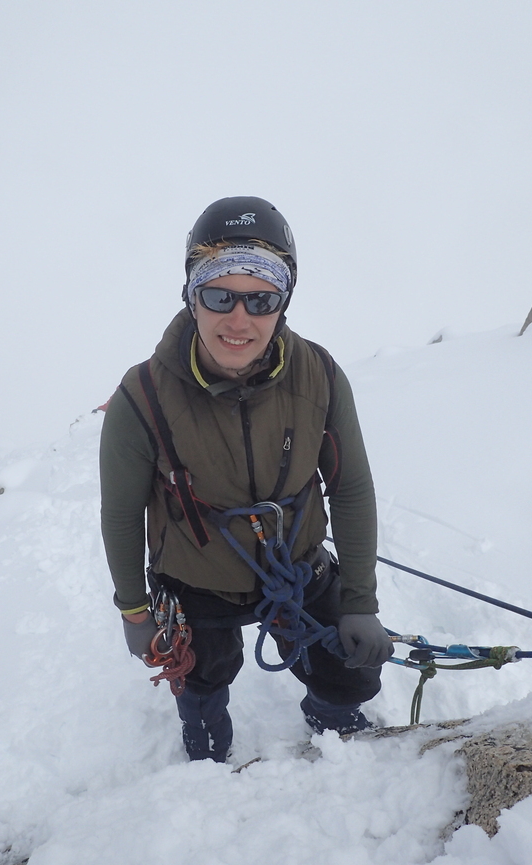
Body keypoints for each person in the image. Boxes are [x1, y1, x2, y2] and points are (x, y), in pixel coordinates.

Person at [99, 196, 392, 762]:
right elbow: (121, 513)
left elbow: (351, 487)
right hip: (194, 579)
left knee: (350, 674)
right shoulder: (142, 396)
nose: (239, 319)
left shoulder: (321, 375)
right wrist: (135, 612)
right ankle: (207, 744)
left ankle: (331, 718)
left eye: (261, 299)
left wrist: (359, 601)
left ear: (283, 303)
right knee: (202, 679)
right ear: (191, 296)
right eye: (219, 296)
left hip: (296, 567)